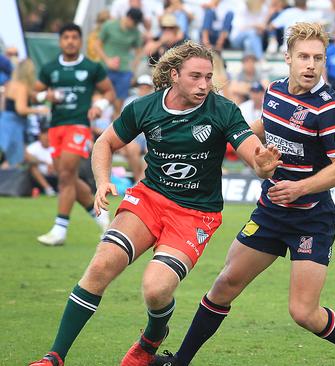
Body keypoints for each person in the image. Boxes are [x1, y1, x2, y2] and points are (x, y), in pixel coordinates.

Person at [28, 40, 281, 366]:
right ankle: (54, 357)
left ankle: (152, 336)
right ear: (174, 74)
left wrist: (262, 164)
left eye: (208, 77)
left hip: (195, 214)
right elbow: (104, 143)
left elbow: (251, 153)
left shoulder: (222, 110)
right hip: (150, 198)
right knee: (101, 265)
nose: (204, 84)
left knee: (155, 289)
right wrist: (103, 181)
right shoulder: (144, 107)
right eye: (195, 76)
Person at [151, 22, 335, 366]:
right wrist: (228, 142)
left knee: (303, 311)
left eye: (318, 58)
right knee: (224, 284)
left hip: (310, 219)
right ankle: (180, 361)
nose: (311, 65)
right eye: (303, 57)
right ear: (288, 58)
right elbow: (262, 127)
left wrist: (299, 187)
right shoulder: (274, 91)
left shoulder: (329, 109)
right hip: (270, 212)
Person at [35, 24, 116, 247]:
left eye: (74, 37)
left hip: (79, 125)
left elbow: (109, 91)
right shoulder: (50, 68)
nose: (70, 41)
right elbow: (35, 92)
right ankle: (103, 219)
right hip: (56, 127)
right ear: (60, 41)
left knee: (66, 176)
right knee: (67, 177)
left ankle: (60, 229)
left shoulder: (91, 67)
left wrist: (99, 105)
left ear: (79, 41)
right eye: (66, 37)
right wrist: (46, 95)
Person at [0, 59, 50, 169]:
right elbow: (21, 109)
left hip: (5, 123)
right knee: (13, 161)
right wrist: (39, 110)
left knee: (14, 157)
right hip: (14, 126)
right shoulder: (21, 86)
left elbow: (3, 106)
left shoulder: (9, 84)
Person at [96, 8, 144, 114]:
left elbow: (139, 52)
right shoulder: (109, 25)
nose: (135, 25)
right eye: (135, 22)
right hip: (106, 68)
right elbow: (97, 45)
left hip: (124, 71)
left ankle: (112, 129)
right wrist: (107, 60)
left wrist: (133, 71)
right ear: (128, 18)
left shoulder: (135, 32)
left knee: (118, 106)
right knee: (101, 100)